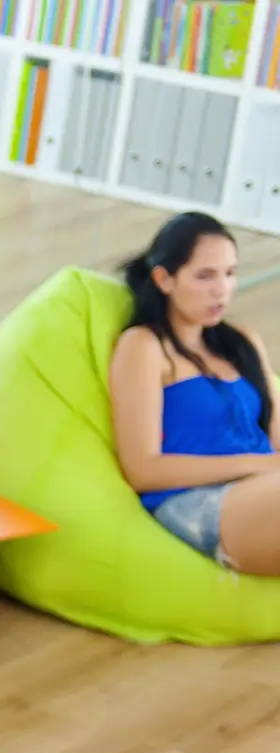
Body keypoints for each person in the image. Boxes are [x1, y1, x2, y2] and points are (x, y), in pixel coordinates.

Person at [110, 211, 280, 576]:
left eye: (230, 273)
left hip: (263, 488)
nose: (222, 290)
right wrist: (259, 465)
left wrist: (267, 466)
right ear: (164, 279)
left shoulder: (242, 342)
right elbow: (142, 469)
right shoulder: (144, 346)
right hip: (198, 501)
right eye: (205, 276)